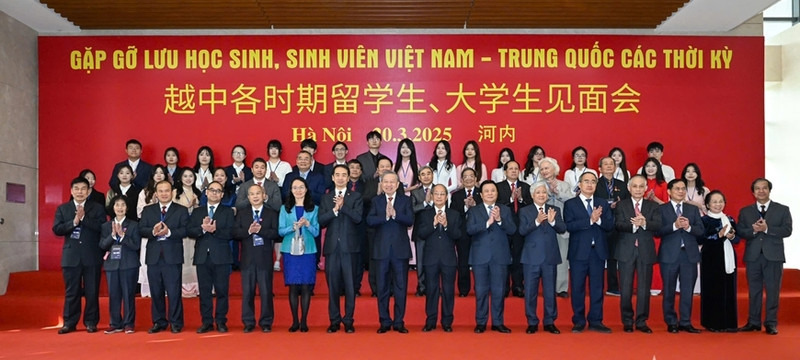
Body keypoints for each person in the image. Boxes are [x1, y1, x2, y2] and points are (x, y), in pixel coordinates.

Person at [737, 178, 793, 335]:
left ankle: (771, 322)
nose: (761, 191)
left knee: (773, 290)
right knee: (754, 290)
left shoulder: (782, 209)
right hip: (753, 256)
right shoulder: (745, 211)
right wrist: (754, 230)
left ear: (769, 190)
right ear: (753, 192)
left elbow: (787, 230)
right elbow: (741, 231)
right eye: (757, 188)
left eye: (764, 188)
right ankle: (753, 322)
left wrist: (768, 229)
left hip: (773, 257)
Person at [52, 177, 106, 334]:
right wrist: (74, 222)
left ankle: (91, 322)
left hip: (92, 255)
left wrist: (84, 218)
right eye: (77, 188)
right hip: (71, 256)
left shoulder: (97, 208)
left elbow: (101, 227)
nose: (80, 192)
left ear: (89, 191)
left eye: (83, 189)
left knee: (92, 291)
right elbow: (57, 229)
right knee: (72, 291)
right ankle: (69, 322)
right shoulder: (63, 209)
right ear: (71, 190)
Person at [564, 172, 614, 333]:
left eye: (593, 181)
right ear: (579, 184)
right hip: (578, 253)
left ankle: (596, 320)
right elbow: (568, 226)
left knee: (597, 288)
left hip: (597, 252)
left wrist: (598, 219)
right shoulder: (570, 204)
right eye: (586, 181)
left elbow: (609, 225)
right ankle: (578, 321)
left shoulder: (602, 203)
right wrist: (589, 220)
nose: (590, 184)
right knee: (577, 288)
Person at [139, 180, 190, 334]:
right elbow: (141, 229)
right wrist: (153, 232)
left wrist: (169, 232)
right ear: (156, 193)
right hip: (154, 257)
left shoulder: (181, 210)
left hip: (172, 256)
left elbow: (186, 230)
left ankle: (175, 322)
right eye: (160, 191)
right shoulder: (148, 210)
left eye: (167, 190)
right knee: (156, 291)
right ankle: (159, 322)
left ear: (172, 192)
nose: (163, 193)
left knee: (174, 292)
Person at [366, 171, 414, 333]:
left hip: (400, 251)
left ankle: (399, 322)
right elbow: (370, 220)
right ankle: (385, 321)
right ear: (381, 183)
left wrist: (396, 214)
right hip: (381, 251)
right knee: (382, 287)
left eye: (392, 182)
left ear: (398, 184)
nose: (388, 185)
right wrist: (385, 217)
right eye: (385, 182)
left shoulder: (405, 200)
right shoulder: (376, 201)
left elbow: (410, 220)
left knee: (401, 288)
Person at [613, 175, 661, 333]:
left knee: (644, 289)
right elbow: (618, 224)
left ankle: (641, 321)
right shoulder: (621, 205)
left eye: (641, 186)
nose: (638, 189)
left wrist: (645, 223)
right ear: (629, 188)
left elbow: (659, 225)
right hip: (626, 251)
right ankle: (627, 321)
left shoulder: (652, 206)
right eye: (635, 186)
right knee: (625, 289)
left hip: (645, 251)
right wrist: (634, 226)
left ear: (646, 188)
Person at [467, 180, 516, 334]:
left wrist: (500, 220)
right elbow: (469, 230)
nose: (490, 193)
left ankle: (498, 322)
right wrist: (487, 223)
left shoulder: (505, 210)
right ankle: (481, 322)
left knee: (499, 291)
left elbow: (513, 230)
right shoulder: (474, 211)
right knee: (480, 291)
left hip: (500, 256)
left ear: (497, 193)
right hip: (480, 257)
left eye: (492, 191)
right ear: (481, 195)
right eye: (486, 191)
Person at [319, 164, 363, 333]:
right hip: (332, 248)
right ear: (332, 177)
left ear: (348, 177)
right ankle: (334, 320)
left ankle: (349, 320)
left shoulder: (355, 196)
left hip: (349, 248)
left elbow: (358, 218)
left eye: (344, 175)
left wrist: (343, 206)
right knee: (333, 286)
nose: (340, 178)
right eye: (337, 175)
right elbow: (322, 220)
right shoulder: (326, 198)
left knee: (350, 286)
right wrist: (335, 210)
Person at [518, 182, 567, 334]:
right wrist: (537, 221)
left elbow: (562, 229)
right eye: (538, 192)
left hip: (549, 257)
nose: (541, 195)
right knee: (530, 292)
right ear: (532, 195)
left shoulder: (555, 209)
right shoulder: (525, 211)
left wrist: (552, 221)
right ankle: (532, 321)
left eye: (544, 193)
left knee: (550, 292)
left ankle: (549, 321)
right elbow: (522, 231)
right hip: (531, 258)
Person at [657, 179, 705, 334]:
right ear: (669, 192)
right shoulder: (662, 209)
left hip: (689, 255)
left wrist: (689, 227)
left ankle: (685, 321)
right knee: (669, 290)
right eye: (677, 188)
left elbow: (701, 231)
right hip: (669, 255)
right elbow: (657, 231)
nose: (681, 191)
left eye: (683, 188)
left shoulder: (692, 209)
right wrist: (674, 226)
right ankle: (671, 321)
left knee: (687, 291)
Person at [187, 181, 235, 333]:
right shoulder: (197, 212)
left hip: (221, 256)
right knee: (205, 291)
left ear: (222, 195)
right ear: (206, 192)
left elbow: (231, 233)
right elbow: (190, 231)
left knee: (222, 291)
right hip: (202, 256)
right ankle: (206, 322)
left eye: (218, 191)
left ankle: (221, 321)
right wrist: (202, 229)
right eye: (212, 190)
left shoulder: (227, 212)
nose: (214, 193)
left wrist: (215, 230)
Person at [233, 184, 279, 333]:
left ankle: (266, 322)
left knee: (266, 292)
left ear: (263, 194)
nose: (255, 196)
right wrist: (248, 231)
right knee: (248, 292)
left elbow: (277, 234)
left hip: (264, 258)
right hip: (247, 259)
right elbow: (235, 233)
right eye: (252, 194)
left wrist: (261, 231)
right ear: (248, 197)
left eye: (258, 193)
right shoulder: (242, 213)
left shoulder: (271, 213)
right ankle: (248, 322)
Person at [417, 184, 462, 332]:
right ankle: (430, 321)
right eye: (436, 194)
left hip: (448, 258)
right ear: (431, 196)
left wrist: (447, 225)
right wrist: (434, 224)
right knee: (431, 290)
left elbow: (458, 235)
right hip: (430, 258)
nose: (439, 197)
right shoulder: (425, 214)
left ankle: (447, 321)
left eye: (442, 194)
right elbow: (421, 234)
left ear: (447, 196)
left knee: (448, 291)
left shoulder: (454, 214)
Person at [278, 177, 320, 332]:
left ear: (306, 189)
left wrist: (308, 225)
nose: (298, 190)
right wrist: (292, 227)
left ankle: (304, 321)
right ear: (291, 190)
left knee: (306, 286)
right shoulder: (285, 208)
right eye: (295, 187)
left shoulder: (314, 208)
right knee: (293, 287)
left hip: (308, 250)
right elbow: (280, 230)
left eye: (301, 187)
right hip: (290, 250)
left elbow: (316, 232)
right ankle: (294, 320)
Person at [99, 195, 142, 334]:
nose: (120, 208)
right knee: (114, 295)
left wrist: (122, 237)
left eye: (123, 205)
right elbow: (102, 245)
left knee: (129, 295)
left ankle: (129, 323)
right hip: (112, 265)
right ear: (113, 208)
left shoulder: (134, 225)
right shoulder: (106, 226)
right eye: (117, 205)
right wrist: (112, 236)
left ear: (127, 208)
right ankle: (115, 323)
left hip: (129, 264)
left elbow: (136, 245)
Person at [699, 190, 740, 332]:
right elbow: (701, 239)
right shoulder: (704, 220)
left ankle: (729, 322)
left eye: (720, 201)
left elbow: (737, 239)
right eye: (714, 202)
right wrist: (719, 235)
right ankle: (713, 323)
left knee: (729, 289)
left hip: (728, 257)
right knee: (712, 290)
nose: (718, 204)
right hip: (711, 258)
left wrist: (731, 236)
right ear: (708, 204)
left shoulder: (730, 219)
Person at [594, 157, 630, 296]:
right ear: (600, 168)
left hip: (618, 225)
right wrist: (609, 205)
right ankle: (597, 288)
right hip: (601, 224)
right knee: (599, 256)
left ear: (615, 168)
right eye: (605, 164)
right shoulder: (595, 184)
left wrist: (620, 206)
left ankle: (613, 287)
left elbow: (627, 203)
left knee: (614, 258)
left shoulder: (622, 184)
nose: (609, 166)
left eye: (611, 164)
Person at [496, 160, 533, 297]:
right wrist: (511, 200)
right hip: (504, 226)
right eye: (510, 169)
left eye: (516, 169)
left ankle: (518, 286)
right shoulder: (498, 187)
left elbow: (531, 206)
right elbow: (496, 205)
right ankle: (504, 286)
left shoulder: (526, 186)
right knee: (504, 256)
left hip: (521, 227)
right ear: (505, 172)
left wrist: (521, 198)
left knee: (518, 256)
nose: (513, 171)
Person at [539, 157, 574, 298]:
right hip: (543, 225)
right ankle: (546, 287)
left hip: (561, 226)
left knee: (562, 257)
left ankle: (561, 288)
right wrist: (547, 195)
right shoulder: (537, 185)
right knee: (544, 257)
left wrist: (557, 193)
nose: (544, 171)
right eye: (542, 169)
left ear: (555, 169)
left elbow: (572, 201)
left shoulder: (564, 185)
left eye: (547, 168)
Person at [136, 164, 167, 298]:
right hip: (149, 232)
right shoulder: (144, 192)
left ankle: (165, 290)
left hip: (166, 234)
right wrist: (153, 205)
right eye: (156, 173)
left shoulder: (170, 191)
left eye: (161, 172)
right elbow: (139, 213)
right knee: (147, 262)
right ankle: (147, 291)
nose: (159, 175)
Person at [450, 167, 481, 297]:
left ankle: (480, 288)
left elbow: (487, 211)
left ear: (475, 178)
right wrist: (464, 207)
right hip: (463, 233)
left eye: (471, 176)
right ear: (462, 180)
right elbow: (453, 214)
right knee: (463, 262)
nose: (468, 178)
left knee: (480, 262)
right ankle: (463, 290)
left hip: (480, 233)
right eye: (465, 176)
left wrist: (475, 206)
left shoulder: (482, 193)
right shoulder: (457, 195)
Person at [172, 167, 201, 297]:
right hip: (180, 230)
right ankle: (181, 287)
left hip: (194, 230)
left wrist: (195, 207)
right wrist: (187, 208)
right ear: (180, 178)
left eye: (191, 176)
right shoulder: (175, 192)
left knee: (193, 257)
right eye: (185, 176)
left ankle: (196, 287)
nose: (188, 179)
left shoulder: (198, 192)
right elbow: (172, 212)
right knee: (182, 257)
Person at [410, 166, 435, 296]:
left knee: (435, 262)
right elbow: (412, 209)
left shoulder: (439, 189)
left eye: (428, 174)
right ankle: (421, 287)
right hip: (420, 231)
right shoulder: (415, 192)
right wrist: (425, 204)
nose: (426, 176)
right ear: (419, 177)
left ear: (432, 175)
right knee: (420, 262)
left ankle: (434, 287)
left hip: (437, 231)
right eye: (423, 174)